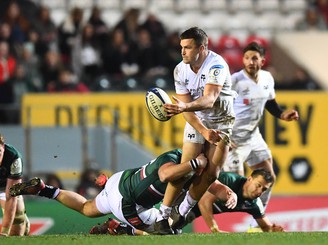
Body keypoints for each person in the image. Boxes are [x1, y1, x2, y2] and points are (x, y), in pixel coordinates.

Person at [9, 149, 209, 235]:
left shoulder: (174, 154)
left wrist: (223, 187)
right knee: (165, 230)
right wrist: (196, 163)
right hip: (127, 203)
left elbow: (207, 180)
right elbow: (165, 175)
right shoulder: (179, 163)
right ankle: (121, 227)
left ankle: (44, 190)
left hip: (119, 181)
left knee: (86, 208)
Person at [155, 26, 236, 234]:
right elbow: (188, 110)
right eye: (181, 47)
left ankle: (182, 212)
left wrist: (184, 107)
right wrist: (202, 130)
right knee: (185, 169)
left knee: (210, 174)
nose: (183, 52)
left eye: (188, 47)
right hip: (197, 119)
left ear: (201, 48)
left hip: (222, 121)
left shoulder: (217, 65)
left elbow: (209, 100)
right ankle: (162, 217)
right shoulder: (179, 69)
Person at [222, 42, 299, 213]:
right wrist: (223, 135)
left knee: (268, 177)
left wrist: (281, 114)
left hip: (253, 136)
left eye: (254, 58)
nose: (250, 62)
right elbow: (218, 107)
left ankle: (260, 215)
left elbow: (270, 103)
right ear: (243, 60)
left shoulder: (267, 78)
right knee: (238, 186)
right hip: (234, 139)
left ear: (262, 61)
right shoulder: (235, 81)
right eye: (247, 58)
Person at [91, 169, 283, 234]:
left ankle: (119, 226)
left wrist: (271, 229)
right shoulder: (230, 182)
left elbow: (264, 225)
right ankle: (120, 224)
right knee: (164, 229)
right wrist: (214, 228)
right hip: (185, 197)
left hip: (190, 211)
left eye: (263, 189)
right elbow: (205, 201)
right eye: (258, 185)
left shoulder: (253, 204)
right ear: (249, 179)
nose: (259, 191)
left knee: (168, 231)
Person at [0, 133, 30, 236]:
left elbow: (11, 197)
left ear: (3, 147)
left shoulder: (14, 157)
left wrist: (4, 231)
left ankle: (22, 221)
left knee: (17, 218)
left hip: (5, 186)